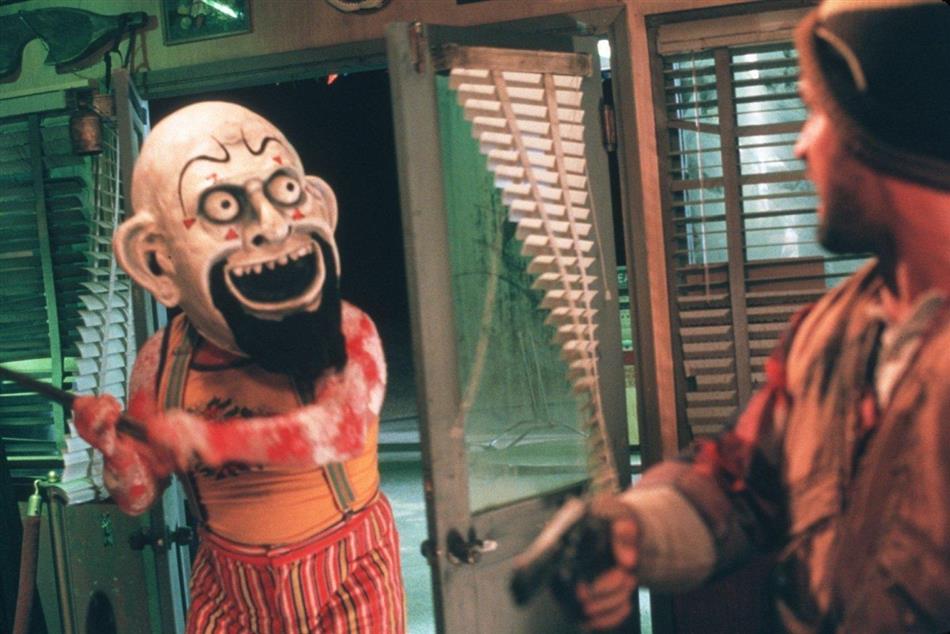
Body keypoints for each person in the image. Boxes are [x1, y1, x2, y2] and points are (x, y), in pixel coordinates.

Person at [575, 1, 950, 632]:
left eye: (815, 112)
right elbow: (742, 488)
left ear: (877, 125)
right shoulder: (829, 332)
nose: (801, 147)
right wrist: (635, 530)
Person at [71, 102, 406, 633]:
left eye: (285, 191)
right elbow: (138, 497)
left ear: (320, 207)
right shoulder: (160, 361)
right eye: (224, 205)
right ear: (156, 260)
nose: (272, 226)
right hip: (229, 584)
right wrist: (113, 446)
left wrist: (213, 438)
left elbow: (341, 431)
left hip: (349, 565)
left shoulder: (346, 329)